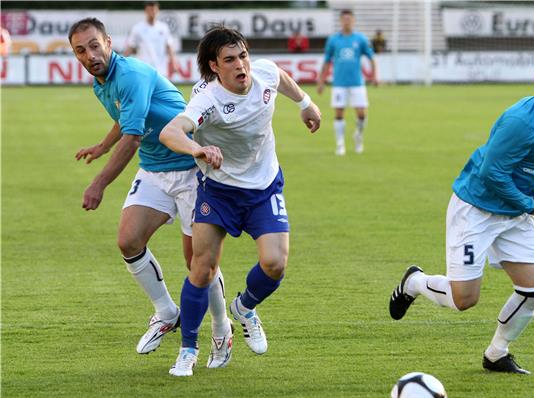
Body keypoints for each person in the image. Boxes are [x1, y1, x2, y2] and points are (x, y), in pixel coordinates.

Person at [389, 46, 534, 375]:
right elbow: (491, 174)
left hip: (516, 212)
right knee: (464, 299)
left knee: (533, 289)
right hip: (476, 208)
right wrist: (528, 203)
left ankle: (496, 353)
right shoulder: (522, 120)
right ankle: (415, 282)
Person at [68, 18, 234, 369]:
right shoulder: (101, 84)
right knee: (129, 240)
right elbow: (125, 118)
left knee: (198, 262)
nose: (90, 54)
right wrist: (100, 146)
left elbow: (131, 137)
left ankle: (222, 328)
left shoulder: (130, 74)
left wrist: (99, 183)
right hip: (155, 169)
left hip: (191, 168)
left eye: (95, 45)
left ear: (109, 42)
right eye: (81, 50)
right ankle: (166, 311)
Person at [159, 26, 321, 376]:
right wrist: (197, 148)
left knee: (275, 264)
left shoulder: (262, 73)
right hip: (219, 191)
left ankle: (244, 308)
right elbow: (170, 132)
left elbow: (279, 75)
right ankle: (188, 350)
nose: (241, 65)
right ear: (215, 67)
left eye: (243, 56)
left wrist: (306, 103)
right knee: (201, 268)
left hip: (263, 187)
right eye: (230, 60)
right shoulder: (208, 100)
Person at [317, 9, 377, 156]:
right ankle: (340, 144)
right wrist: (321, 80)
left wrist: (374, 76)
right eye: (344, 19)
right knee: (338, 113)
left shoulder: (360, 39)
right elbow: (326, 61)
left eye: (349, 19)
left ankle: (358, 135)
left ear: (353, 20)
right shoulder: (334, 40)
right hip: (339, 83)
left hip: (357, 82)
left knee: (362, 114)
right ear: (341, 21)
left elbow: (371, 58)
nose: (347, 21)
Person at [124, 1, 178, 77]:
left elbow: (169, 46)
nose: (152, 12)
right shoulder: (137, 28)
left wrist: (174, 63)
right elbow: (130, 47)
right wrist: (121, 63)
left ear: (157, 10)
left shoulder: (163, 28)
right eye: (149, 10)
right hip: (143, 69)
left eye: (154, 9)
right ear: (145, 11)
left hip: (161, 69)